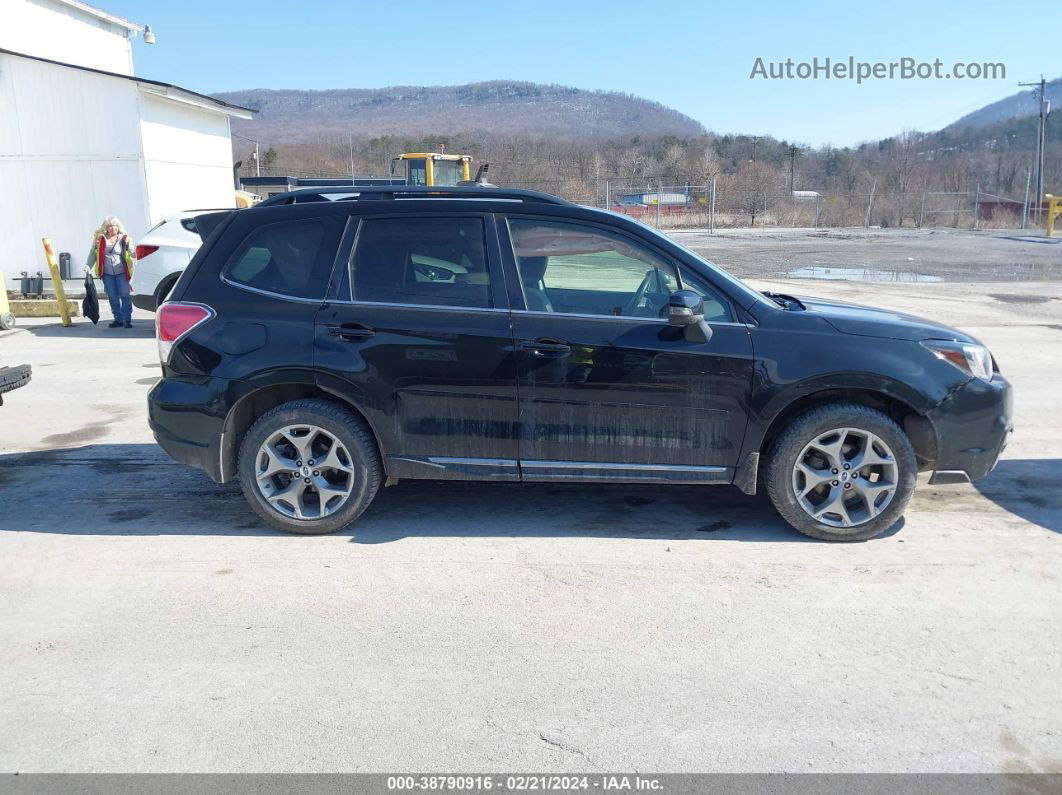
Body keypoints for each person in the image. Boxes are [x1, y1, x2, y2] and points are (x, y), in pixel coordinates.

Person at [86, 216, 135, 328]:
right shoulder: (100, 239)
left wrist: (136, 253)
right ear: (106, 228)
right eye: (110, 226)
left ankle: (127, 319)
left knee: (125, 295)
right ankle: (118, 319)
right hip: (107, 273)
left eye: (115, 226)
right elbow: (93, 254)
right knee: (112, 296)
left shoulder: (124, 239)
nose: (113, 228)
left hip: (122, 272)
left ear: (118, 227)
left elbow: (132, 251)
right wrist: (88, 266)